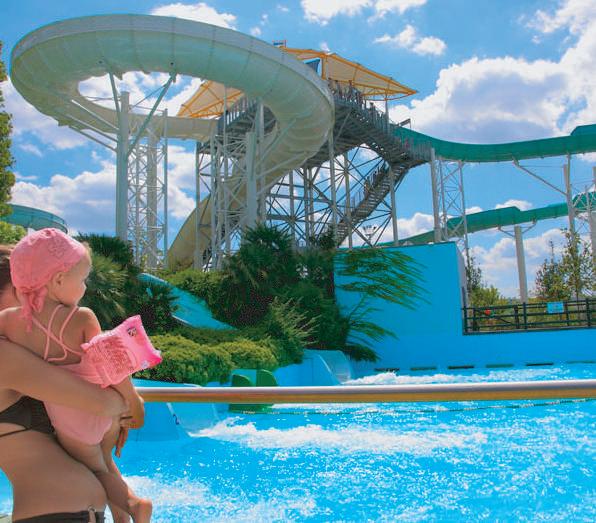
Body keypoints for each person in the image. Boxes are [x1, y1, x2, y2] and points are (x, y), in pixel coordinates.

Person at [0, 230, 159, 522]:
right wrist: (128, 402)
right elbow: (105, 397)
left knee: (100, 464)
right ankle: (132, 506)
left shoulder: (19, 335)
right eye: (21, 286)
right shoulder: (9, 350)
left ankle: (130, 510)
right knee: (101, 462)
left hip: (70, 507)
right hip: (56, 513)